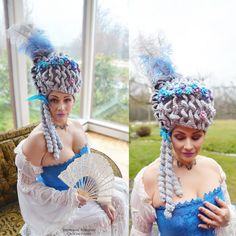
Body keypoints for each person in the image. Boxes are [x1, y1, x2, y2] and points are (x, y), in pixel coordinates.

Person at [8, 24, 128, 236]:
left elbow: (89, 166)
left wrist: (101, 196)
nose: (61, 108)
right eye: (54, 100)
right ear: (44, 100)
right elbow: (27, 188)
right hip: (60, 209)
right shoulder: (38, 141)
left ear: (74, 98)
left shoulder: (77, 127)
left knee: (117, 201)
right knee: (99, 221)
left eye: (67, 99)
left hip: (87, 195)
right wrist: (68, 198)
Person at [130, 55, 236, 235]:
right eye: (180, 136)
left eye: (196, 137)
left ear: (204, 134)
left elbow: (228, 220)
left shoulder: (213, 168)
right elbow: (139, 232)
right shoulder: (148, 179)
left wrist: (227, 218)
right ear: (167, 134)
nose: (188, 146)